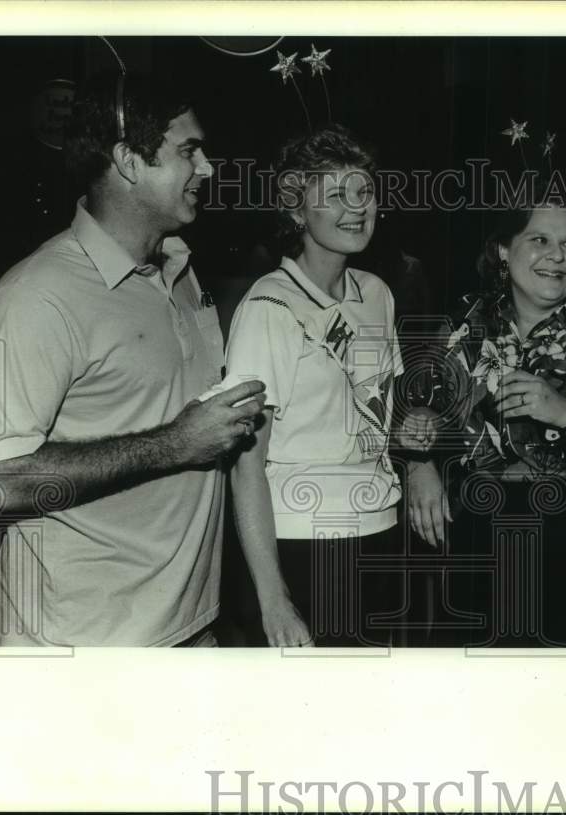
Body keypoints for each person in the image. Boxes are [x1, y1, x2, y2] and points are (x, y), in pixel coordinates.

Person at [0, 73, 265, 647]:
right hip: (81, 651)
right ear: (128, 160)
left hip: (191, 630)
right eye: (189, 152)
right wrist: (175, 442)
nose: (209, 168)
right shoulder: (38, 295)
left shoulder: (180, 269)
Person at [399, 192, 566, 646]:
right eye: (540, 239)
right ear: (503, 250)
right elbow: (413, 411)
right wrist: (418, 463)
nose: (556, 256)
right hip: (476, 540)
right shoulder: (464, 323)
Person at [226, 124, 404, 647]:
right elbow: (244, 467)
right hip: (302, 545)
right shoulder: (269, 306)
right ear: (296, 211)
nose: (356, 207)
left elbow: (375, 416)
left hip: (382, 532)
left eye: (364, 191)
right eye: (333, 194)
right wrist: (274, 598)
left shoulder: (377, 293)